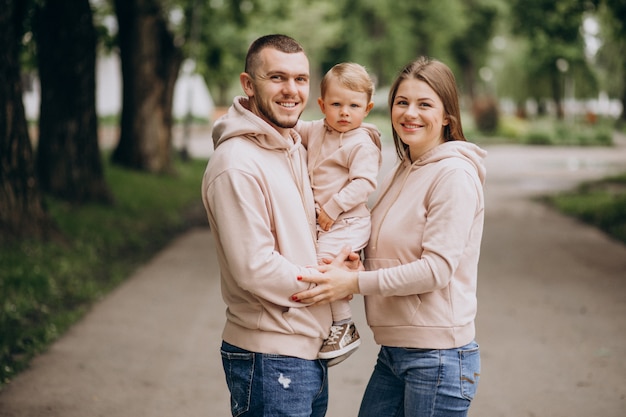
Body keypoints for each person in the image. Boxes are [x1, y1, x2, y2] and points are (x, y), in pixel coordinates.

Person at [292, 56, 487, 417]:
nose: (410, 113)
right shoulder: (402, 170)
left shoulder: (454, 176)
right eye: (402, 102)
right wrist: (356, 263)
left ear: (447, 116)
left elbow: (435, 271)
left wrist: (356, 281)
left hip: (438, 358)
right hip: (396, 352)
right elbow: (393, 248)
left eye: (424, 104)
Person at [201, 34, 333, 417]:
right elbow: (255, 267)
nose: (292, 90)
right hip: (269, 356)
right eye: (277, 78)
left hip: (305, 349)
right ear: (248, 84)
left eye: (301, 79)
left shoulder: (292, 145)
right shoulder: (236, 164)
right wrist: (328, 283)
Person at [297, 62, 382, 367]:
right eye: (336, 104)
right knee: (318, 262)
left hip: (348, 222)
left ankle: (343, 325)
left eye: (354, 105)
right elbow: (288, 125)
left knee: (323, 267)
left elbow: (364, 184)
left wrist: (331, 208)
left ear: (367, 108)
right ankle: (332, 322)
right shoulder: (317, 129)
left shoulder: (361, 143)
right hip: (328, 224)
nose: (344, 112)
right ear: (322, 105)